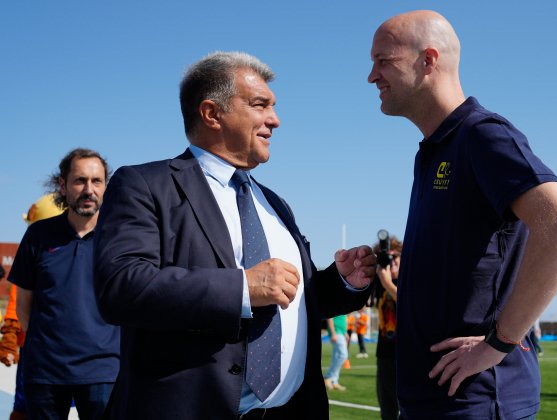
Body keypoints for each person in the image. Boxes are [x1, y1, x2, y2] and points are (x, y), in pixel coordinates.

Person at [93, 51, 376, 420]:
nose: (275, 120)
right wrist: (242, 288)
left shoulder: (275, 203)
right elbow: (121, 288)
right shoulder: (144, 185)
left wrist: (342, 283)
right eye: (260, 105)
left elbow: (292, 299)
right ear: (212, 113)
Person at [368, 10, 557, 418]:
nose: (372, 76)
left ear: (428, 61)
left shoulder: (482, 135)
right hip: (435, 400)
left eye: (384, 61)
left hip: (478, 401)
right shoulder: (435, 150)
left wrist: (498, 344)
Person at [8, 149, 120, 420]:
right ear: (63, 185)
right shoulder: (39, 235)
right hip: (45, 373)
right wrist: (45, 345)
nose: (89, 189)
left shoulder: (119, 237)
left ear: (106, 186)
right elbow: (23, 304)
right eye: (80, 180)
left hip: (104, 372)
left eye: (97, 181)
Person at [0, 194, 64, 420]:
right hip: (36, 348)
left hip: (75, 354)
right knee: (28, 405)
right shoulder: (33, 259)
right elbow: (16, 307)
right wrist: (10, 340)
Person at [373, 236, 402, 420]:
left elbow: (412, 307)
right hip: (384, 353)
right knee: (387, 410)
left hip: (407, 355)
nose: (391, 263)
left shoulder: (412, 279)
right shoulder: (379, 281)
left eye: (395, 257)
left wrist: (388, 284)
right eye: (387, 258)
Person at [324, 315, 349, 391]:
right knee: (343, 355)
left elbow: (342, 320)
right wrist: (333, 333)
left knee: (336, 357)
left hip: (341, 332)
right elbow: (330, 317)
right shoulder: (335, 304)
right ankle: (328, 376)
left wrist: (345, 332)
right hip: (336, 332)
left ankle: (334, 381)